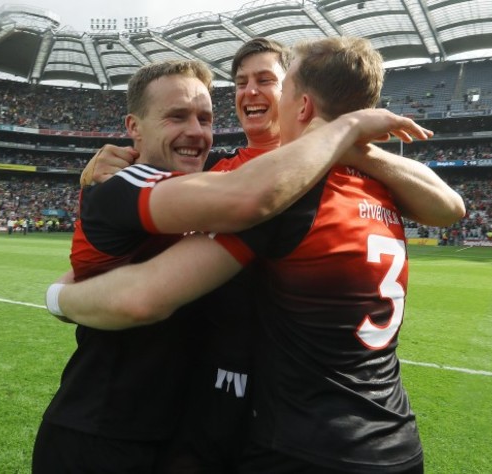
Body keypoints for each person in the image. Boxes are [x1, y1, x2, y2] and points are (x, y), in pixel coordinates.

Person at [49, 37, 466, 473]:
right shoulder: (217, 174)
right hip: (209, 406)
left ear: (299, 102)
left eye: (269, 81)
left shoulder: (277, 193)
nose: (250, 91)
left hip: (289, 429)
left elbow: (448, 206)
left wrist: (59, 297)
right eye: (240, 82)